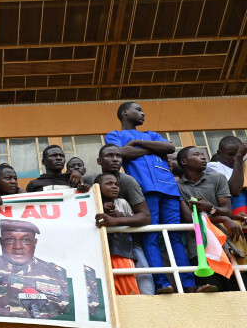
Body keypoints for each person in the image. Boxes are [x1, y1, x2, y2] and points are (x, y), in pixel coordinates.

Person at [105, 102, 206, 294]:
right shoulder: (115, 135)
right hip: (144, 189)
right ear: (125, 112)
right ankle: (162, 283)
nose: (143, 114)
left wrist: (137, 144)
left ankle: (189, 284)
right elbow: (122, 152)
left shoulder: (150, 134)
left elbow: (169, 147)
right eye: (138, 110)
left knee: (175, 235)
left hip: (168, 188)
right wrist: (152, 149)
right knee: (150, 235)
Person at [82, 144, 153, 295]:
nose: (115, 159)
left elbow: (145, 216)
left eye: (118, 156)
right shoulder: (88, 180)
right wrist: (74, 178)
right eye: (110, 156)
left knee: (144, 283)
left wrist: (118, 220)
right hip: (97, 245)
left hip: (130, 244)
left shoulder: (128, 182)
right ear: (99, 161)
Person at [0, 220, 69, 319]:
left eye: (26, 240)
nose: (18, 246)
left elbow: (65, 316)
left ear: (35, 242)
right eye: (10, 239)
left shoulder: (56, 274)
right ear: (1, 241)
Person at [177, 146, 240, 291]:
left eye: (203, 154)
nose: (203, 157)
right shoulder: (177, 186)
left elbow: (227, 211)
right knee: (212, 290)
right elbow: (188, 217)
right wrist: (222, 218)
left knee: (234, 290)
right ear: (184, 161)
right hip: (198, 247)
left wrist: (209, 207)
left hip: (224, 244)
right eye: (197, 154)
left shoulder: (218, 178)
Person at [94, 173, 144, 295]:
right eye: (109, 183)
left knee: (128, 288)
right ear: (97, 187)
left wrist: (121, 218)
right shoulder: (90, 203)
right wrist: (100, 208)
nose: (114, 186)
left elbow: (135, 221)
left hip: (122, 251)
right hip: (98, 253)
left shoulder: (121, 203)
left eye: (116, 184)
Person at [205, 136, 247, 227]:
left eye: (237, 154)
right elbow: (234, 191)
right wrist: (240, 157)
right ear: (219, 153)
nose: (234, 158)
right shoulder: (213, 166)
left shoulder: (244, 166)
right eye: (230, 154)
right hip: (233, 219)